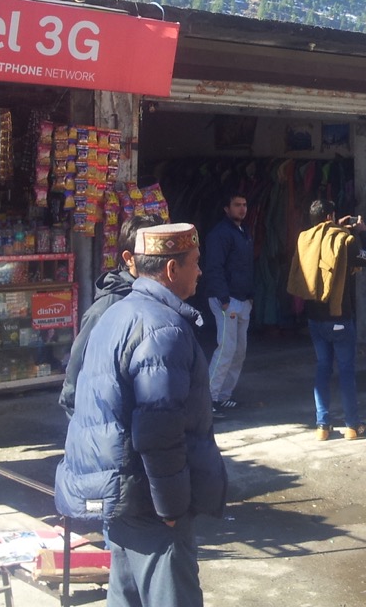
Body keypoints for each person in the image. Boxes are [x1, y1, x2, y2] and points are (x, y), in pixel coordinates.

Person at [55, 223, 226, 607]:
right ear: (171, 270)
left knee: (126, 597)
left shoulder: (118, 313)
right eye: (195, 263)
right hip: (148, 501)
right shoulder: (162, 328)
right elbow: (158, 429)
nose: (200, 271)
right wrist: (171, 508)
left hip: (120, 495)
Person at [287, 199, 366, 440]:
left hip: (314, 318)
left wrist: (337, 225)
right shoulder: (344, 241)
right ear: (330, 217)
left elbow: (325, 238)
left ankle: (322, 426)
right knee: (346, 371)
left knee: (322, 368)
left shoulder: (305, 239)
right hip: (339, 317)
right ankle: (351, 425)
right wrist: (362, 232)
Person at [59, 212, 161, 417]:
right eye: (153, 255)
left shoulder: (162, 301)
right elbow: (73, 385)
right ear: (129, 258)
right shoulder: (106, 309)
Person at [203, 191, 254, 415]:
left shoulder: (243, 232)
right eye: (237, 205)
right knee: (226, 349)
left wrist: (250, 296)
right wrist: (224, 299)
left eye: (244, 204)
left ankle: (224, 395)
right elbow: (214, 267)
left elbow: (246, 267)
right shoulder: (220, 234)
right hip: (226, 300)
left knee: (239, 351)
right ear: (227, 208)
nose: (242, 209)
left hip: (242, 299)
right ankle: (208, 399)